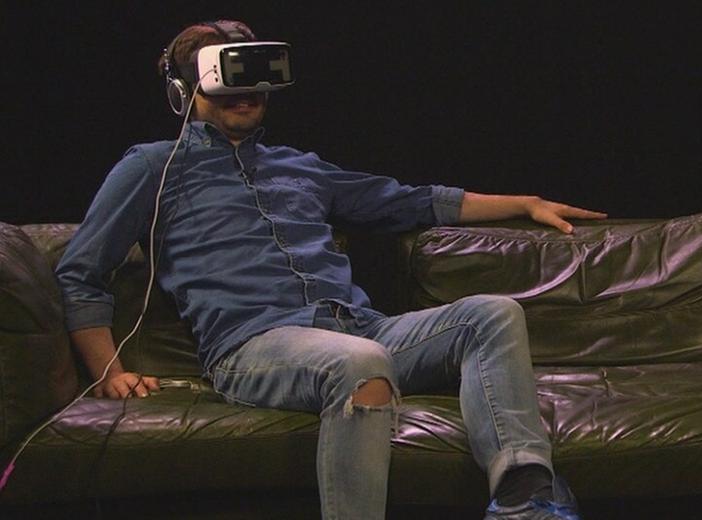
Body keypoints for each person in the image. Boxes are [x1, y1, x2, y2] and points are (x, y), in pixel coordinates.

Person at [55, 20, 605, 520]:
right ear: (184, 90)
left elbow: (412, 201)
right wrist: (108, 371)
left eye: (254, 76)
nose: (244, 92)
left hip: (360, 328)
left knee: (492, 315)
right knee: (360, 363)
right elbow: (81, 270)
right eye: (226, 78)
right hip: (254, 347)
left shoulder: (300, 167)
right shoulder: (152, 167)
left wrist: (525, 202)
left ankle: (524, 497)